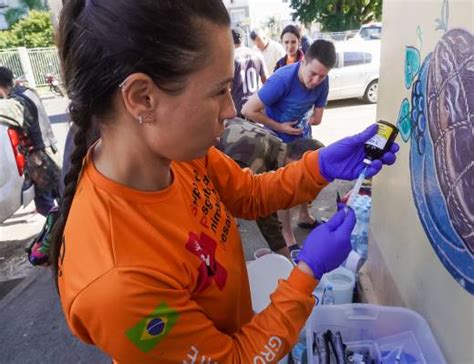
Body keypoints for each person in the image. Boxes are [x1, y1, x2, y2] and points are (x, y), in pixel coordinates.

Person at [50, 1, 398, 362]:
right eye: (219, 91)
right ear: (143, 98)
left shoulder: (182, 156)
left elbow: (250, 193)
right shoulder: (116, 286)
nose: (232, 110)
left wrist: (320, 166)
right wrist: (307, 272)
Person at [217, 117, 324, 259]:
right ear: (297, 162)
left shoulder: (275, 142)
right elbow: (262, 210)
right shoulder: (256, 160)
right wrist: (283, 254)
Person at [242, 39, 336, 144]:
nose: (316, 81)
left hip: (304, 142)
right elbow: (247, 110)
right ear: (303, 61)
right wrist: (280, 127)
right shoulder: (281, 80)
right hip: (277, 144)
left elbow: (317, 119)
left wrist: (303, 122)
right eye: (312, 73)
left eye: (322, 76)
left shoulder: (324, 81)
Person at [0, 66, 61, 216]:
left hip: (41, 160)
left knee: (45, 205)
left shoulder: (16, 102)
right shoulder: (27, 91)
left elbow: (6, 110)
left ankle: (61, 232)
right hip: (50, 150)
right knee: (61, 196)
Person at [231, 28, 267, 117]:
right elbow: (266, 81)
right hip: (256, 108)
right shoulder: (258, 55)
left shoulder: (230, 58)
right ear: (243, 39)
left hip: (238, 110)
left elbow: (228, 87)